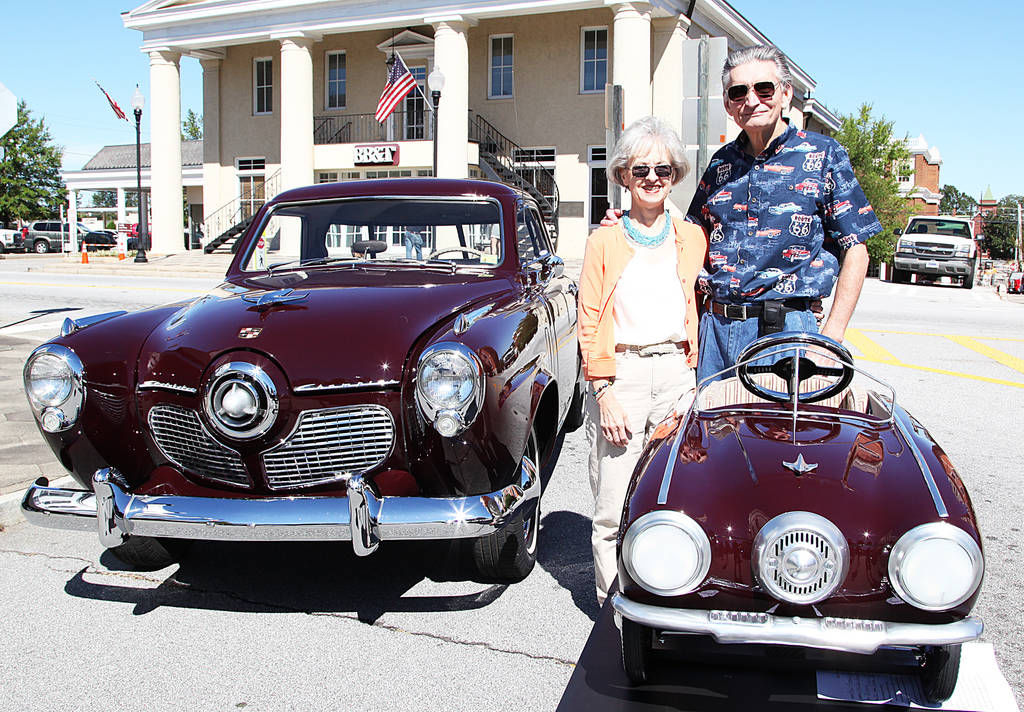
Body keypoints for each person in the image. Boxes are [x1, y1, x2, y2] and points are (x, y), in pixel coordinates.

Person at [689, 45, 881, 383]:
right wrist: (629, 223)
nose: (751, 100)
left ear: (786, 93)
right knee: (714, 435)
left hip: (786, 335)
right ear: (727, 103)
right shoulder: (720, 164)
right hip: (716, 334)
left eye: (764, 88)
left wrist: (831, 337)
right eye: (738, 91)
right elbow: (689, 238)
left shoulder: (822, 155)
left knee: (778, 436)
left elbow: (856, 248)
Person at [577, 116, 708, 605]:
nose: (653, 178)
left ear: (675, 175)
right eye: (641, 170)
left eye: (664, 170)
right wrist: (604, 392)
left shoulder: (692, 238)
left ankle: (664, 602)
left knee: (674, 498)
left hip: (677, 374)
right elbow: (589, 322)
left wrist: (693, 379)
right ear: (623, 176)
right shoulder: (603, 241)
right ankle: (613, 617)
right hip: (623, 376)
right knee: (613, 507)